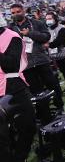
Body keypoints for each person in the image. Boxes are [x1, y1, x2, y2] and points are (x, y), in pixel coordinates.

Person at [8, 3, 64, 113]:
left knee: (53, 85)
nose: (16, 14)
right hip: (26, 66)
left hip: (41, 60)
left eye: (18, 11)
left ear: (23, 11)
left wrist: (30, 34)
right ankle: (45, 113)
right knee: (36, 91)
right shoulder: (10, 29)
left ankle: (60, 108)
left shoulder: (36, 23)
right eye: (13, 13)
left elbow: (46, 37)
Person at [0, 13, 36, 162]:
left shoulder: (12, 36)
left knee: (27, 125)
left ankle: (20, 156)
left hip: (13, 88)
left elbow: (11, 66)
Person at [45, 12, 65, 94]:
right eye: (47, 19)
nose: (48, 20)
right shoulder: (48, 29)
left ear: (55, 19)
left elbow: (59, 41)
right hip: (57, 55)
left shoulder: (62, 28)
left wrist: (48, 45)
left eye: (50, 18)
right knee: (63, 71)